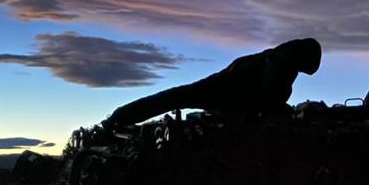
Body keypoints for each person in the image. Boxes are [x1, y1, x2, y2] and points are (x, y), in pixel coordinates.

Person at [103, 38, 322, 128]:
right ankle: (118, 118)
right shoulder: (279, 63)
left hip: (230, 88)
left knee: (176, 96)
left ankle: (118, 118)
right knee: (177, 97)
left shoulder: (277, 58)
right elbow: (269, 97)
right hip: (228, 92)